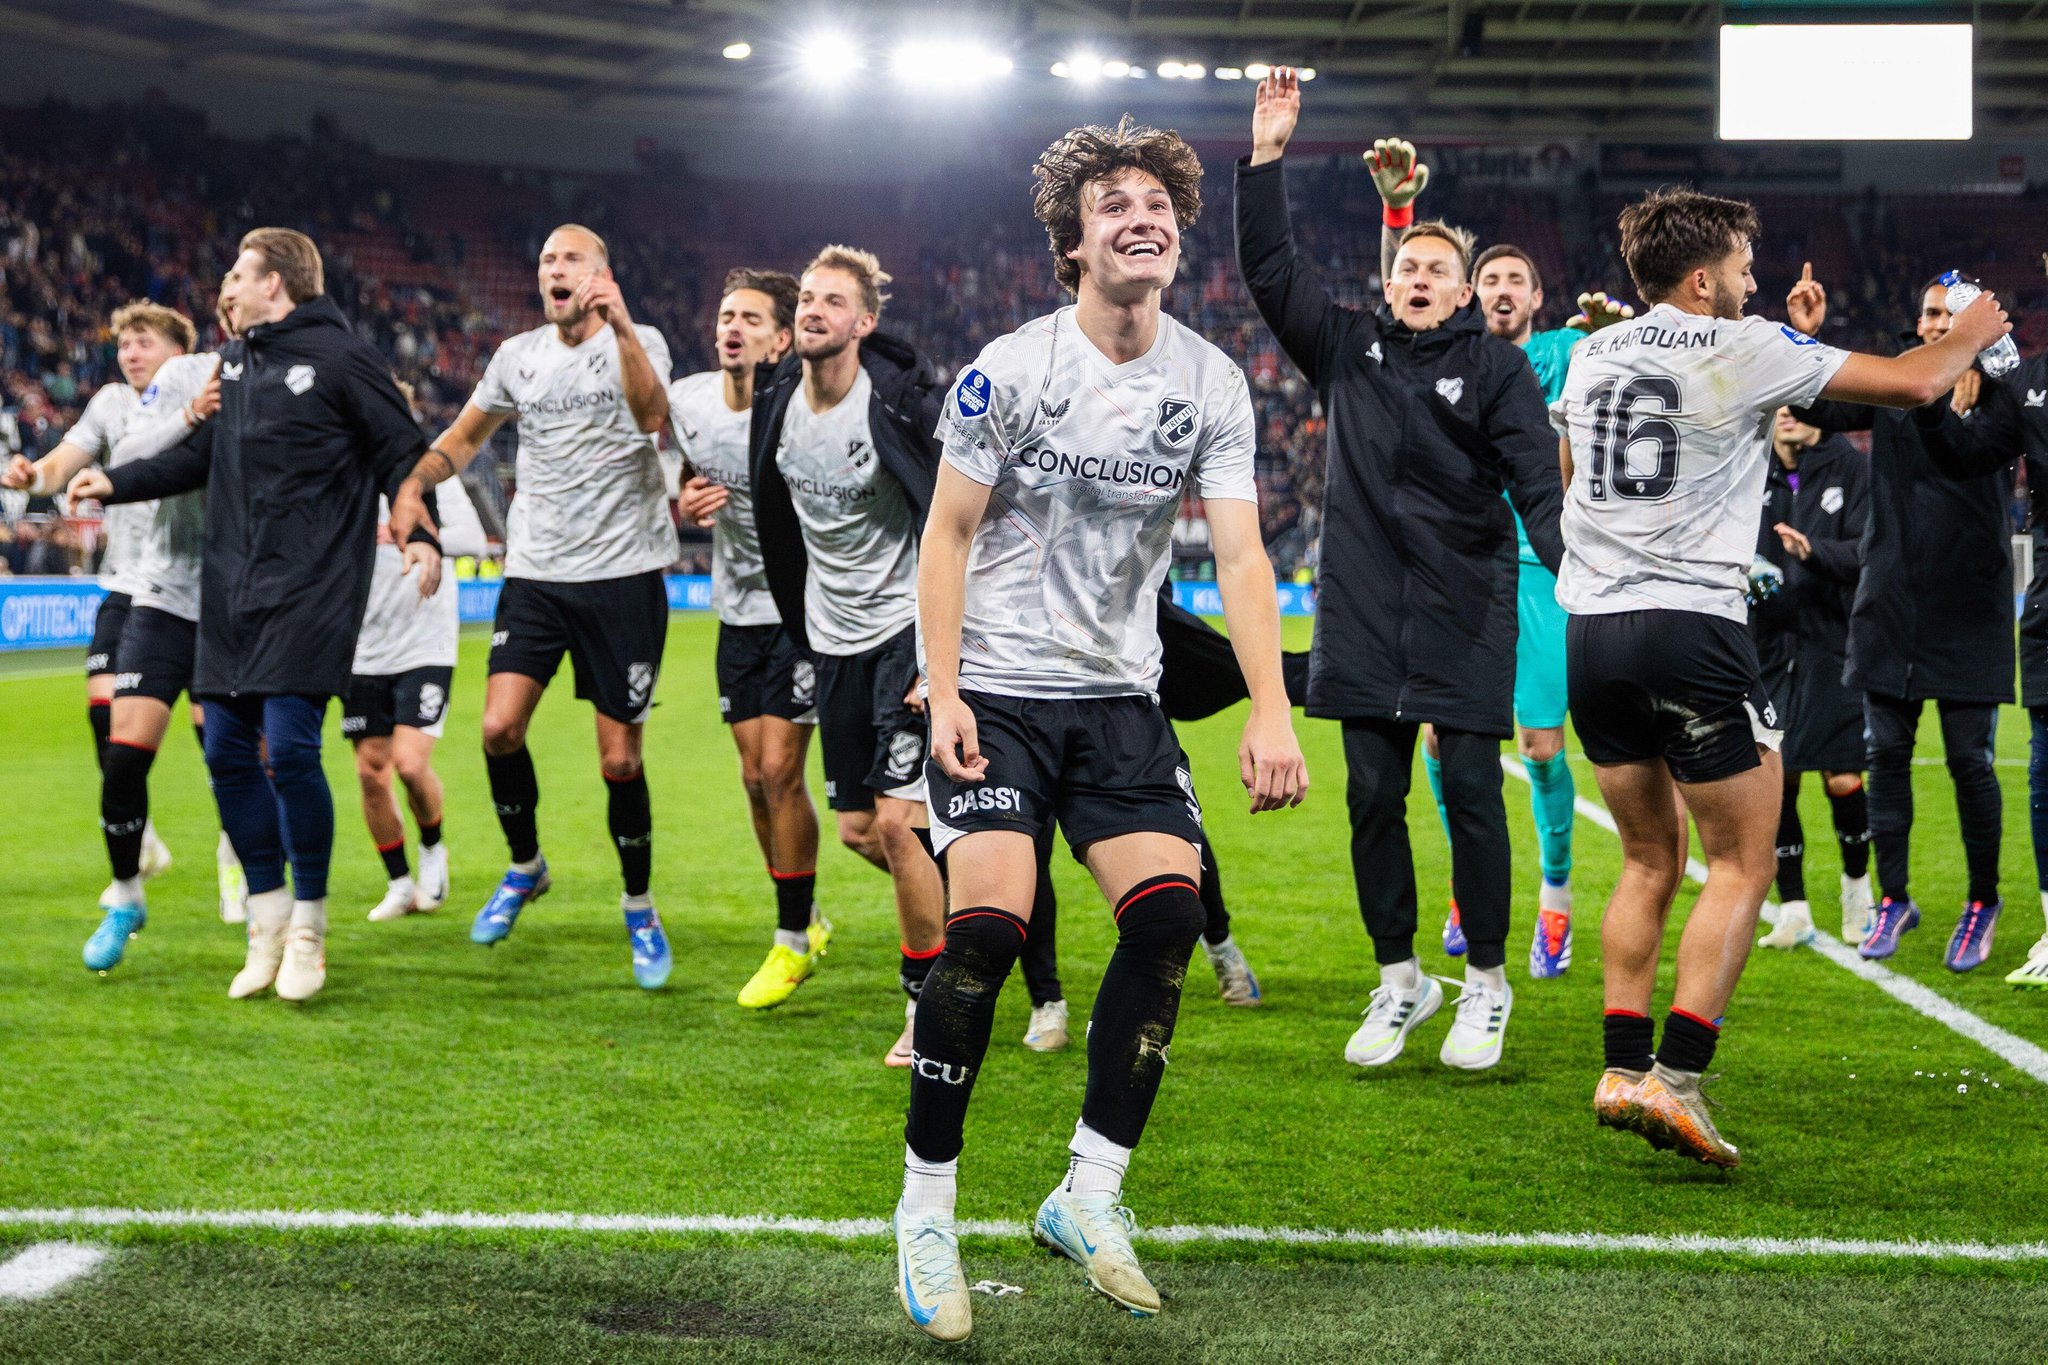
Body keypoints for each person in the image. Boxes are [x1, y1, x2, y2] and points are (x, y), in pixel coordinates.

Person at [891, 115, 1308, 1343]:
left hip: (1118, 697)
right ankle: (925, 1209)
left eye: (1157, 204)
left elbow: (1238, 553)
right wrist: (948, 686)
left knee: (1170, 916)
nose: (1143, 218)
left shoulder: (1209, 381)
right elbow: (947, 537)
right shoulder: (1008, 370)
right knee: (985, 927)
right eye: (1113, 206)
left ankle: (1087, 1192)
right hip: (1002, 695)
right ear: (1072, 245)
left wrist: (1269, 706)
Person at [1558, 193, 2007, 1167]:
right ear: (1700, 278)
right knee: (1738, 863)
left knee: (1643, 860)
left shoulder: (1593, 354)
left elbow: (1581, 459)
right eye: (1743, 265)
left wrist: (1784, 347)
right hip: (1690, 627)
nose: (1756, 281)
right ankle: (1675, 1082)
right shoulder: (1740, 342)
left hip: (1589, 627)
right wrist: (1968, 333)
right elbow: (1917, 382)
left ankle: (1617, 1066)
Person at [1237, 70, 1564, 1073]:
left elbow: (1535, 488)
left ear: (1464, 294)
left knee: (1469, 788)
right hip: (1363, 614)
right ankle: (1397, 981)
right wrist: (1266, 156)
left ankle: (1489, 986)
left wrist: (1578, 581)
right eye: (1405, 266)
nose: (1418, 277)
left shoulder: (1500, 371)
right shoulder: (1347, 351)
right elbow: (1270, 271)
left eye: (1436, 269)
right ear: (1388, 283)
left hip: (1465, 611)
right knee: (1372, 799)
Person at [69, 228, 441, 1003]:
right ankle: (266, 923)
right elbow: (198, 458)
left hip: (309, 592)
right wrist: (114, 482)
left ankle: (309, 925)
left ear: (275, 283)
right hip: (228, 592)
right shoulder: (234, 363)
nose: (225, 288)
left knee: (292, 751)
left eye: (236, 274)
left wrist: (423, 530)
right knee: (228, 758)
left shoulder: (343, 359)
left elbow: (404, 452)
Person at [388, 224, 677, 990]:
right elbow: (465, 435)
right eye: (545, 258)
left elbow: (653, 417)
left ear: (601, 274)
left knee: (620, 758)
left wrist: (620, 327)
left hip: (624, 575)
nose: (554, 268)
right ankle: (526, 866)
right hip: (538, 573)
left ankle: (640, 906)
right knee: (496, 727)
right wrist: (415, 482)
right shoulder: (517, 356)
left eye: (570, 258)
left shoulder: (637, 338)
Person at [1365, 141, 1630, 974]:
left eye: (1519, 280)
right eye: (1491, 281)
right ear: (1469, 292)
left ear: (1539, 300)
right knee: (1443, 743)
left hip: (1542, 572)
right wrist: (1398, 216)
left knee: (1544, 744)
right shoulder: (1450, 349)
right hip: (1457, 572)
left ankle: (1556, 895)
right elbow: (1396, 298)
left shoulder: (1564, 352)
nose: (1503, 290)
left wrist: (1622, 335)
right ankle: (1463, 885)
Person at [3, 300, 248, 971]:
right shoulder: (118, 404)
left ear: (182, 350)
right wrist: (36, 477)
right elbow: (69, 462)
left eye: (145, 342)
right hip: (139, 588)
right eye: (125, 344)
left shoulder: (222, 391)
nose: (131, 354)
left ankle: (237, 854)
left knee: (224, 751)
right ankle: (127, 887)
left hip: (222, 596)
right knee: (117, 743)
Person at [748, 245, 946, 1065]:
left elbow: (954, 515)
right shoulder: (777, 403)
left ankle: (927, 1005)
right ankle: (991, 897)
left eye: (833, 301)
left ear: (865, 322)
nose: (813, 310)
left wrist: (944, 650)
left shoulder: (896, 404)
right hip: (829, 642)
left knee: (900, 826)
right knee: (862, 828)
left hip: (904, 633)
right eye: (806, 298)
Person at [1785, 269, 2013, 971]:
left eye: (1953, 315)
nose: (1938, 325)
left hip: (1968, 605)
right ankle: (1895, 896)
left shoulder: (2001, 396)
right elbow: (1814, 409)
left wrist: (1937, 386)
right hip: (1889, 603)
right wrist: (1808, 338)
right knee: (1884, 758)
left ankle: (1982, 901)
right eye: (1930, 313)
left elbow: (1965, 452)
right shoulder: (1895, 383)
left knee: (1970, 762)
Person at [669, 268, 830, 1008]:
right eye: (726, 314)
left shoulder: (804, 407)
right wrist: (684, 498)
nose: (732, 327)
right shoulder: (691, 401)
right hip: (734, 611)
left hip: (801, 614)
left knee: (778, 770)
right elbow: (676, 474)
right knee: (751, 777)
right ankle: (809, 915)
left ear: (781, 339)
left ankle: (791, 939)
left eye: (751, 318)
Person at [1910, 333, 2048, 986]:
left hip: (2009, 603)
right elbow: (1967, 454)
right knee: (2041, 770)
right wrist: (1940, 395)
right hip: (2043, 608)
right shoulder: (2026, 383)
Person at [346, 381, 488, 923]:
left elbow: (474, 541)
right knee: (369, 772)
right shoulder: (347, 478)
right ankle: (399, 882)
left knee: (408, 764)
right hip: (362, 647)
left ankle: (432, 849)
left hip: (425, 642)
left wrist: (414, 537)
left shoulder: (432, 478)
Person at [1747, 407, 1873, 949]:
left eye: (1797, 405)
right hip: (1769, 648)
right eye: (1777, 407)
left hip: (1833, 645)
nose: (1786, 415)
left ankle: (1857, 888)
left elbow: (1869, 552)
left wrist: (1812, 551)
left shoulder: (1851, 469)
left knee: (1841, 776)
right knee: (1778, 781)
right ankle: (1793, 908)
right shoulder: (1750, 468)